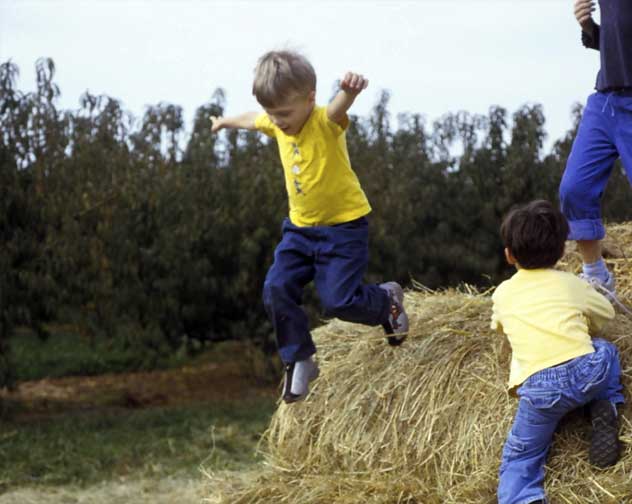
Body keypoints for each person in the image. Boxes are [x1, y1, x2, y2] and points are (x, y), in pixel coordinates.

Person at [210, 50, 408, 404]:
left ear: (309, 99)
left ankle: (385, 302)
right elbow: (253, 118)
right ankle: (299, 357)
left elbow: (337, 108)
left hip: (343, 231)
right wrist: (224, 121)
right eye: (273, 113)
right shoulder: (274, 121)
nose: (278, 121)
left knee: (338, 301)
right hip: (299, 233)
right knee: (275, 287)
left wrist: (350, 91)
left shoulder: (323, 122)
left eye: (284, 113)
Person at [491, 200, 624, 504]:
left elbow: (499, 326)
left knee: (520, 457)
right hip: (587, 373)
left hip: (540, 389)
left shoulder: (503, 293)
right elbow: (606, 313)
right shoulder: (570, 284)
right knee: (606, 350)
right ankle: (608, 404)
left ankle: (524, 499)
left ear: (509, 255)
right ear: (562, 251)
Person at [559, 0, 632, 296]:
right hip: (604, 101)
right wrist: (589, 28)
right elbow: (618, 43)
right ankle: (596, 276)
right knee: (574, 189)